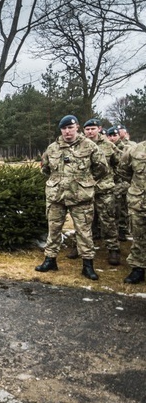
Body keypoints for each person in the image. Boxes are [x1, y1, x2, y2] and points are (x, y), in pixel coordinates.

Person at [35, 115, 109, 280]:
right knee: (53, 230)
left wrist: (86, 182)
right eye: (64, 128)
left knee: (84, 232)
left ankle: (87, 266)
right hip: (57, 197)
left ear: (77, 127)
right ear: (61, 130)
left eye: (70, 127)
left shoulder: (89, 146)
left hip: (81, 198)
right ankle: (50, 260)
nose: (67, 131)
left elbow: (102, 168)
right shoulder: (52, 148)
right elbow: (45, 169)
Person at [67, 119, 121, 265]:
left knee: (108, 220)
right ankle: (79, 247)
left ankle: (113, 249)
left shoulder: (109, 146)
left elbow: (120, 164)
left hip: (104, 190)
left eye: (93, 129)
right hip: (84, 190)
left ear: (99, 129)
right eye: (87, 129)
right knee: (83, 221)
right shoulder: (78, 145)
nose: (90, 132)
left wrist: (111, 179)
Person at [116, 140, 146, 284]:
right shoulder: (135, 150)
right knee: (138, 236)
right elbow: (123, 170)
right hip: (138, 202)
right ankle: (138, 269)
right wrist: (137, 187)